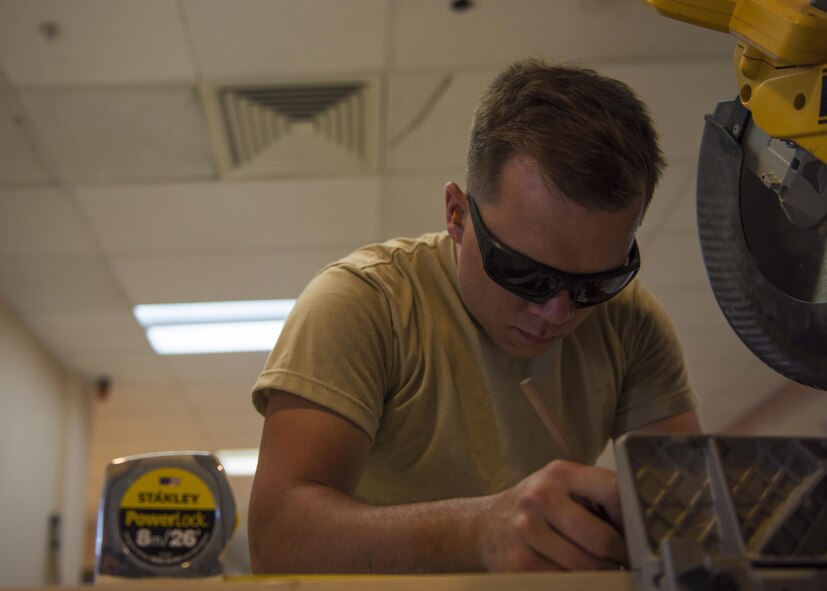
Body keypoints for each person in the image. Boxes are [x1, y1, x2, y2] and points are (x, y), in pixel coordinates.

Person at [247, 58, 701, 574]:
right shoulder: (366, 305)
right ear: (458, 216)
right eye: (525, 273)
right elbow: (276, 537)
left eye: (596, 284)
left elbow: (691, 520)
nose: (556, 312)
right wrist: (477, 529)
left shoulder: (630, 324)